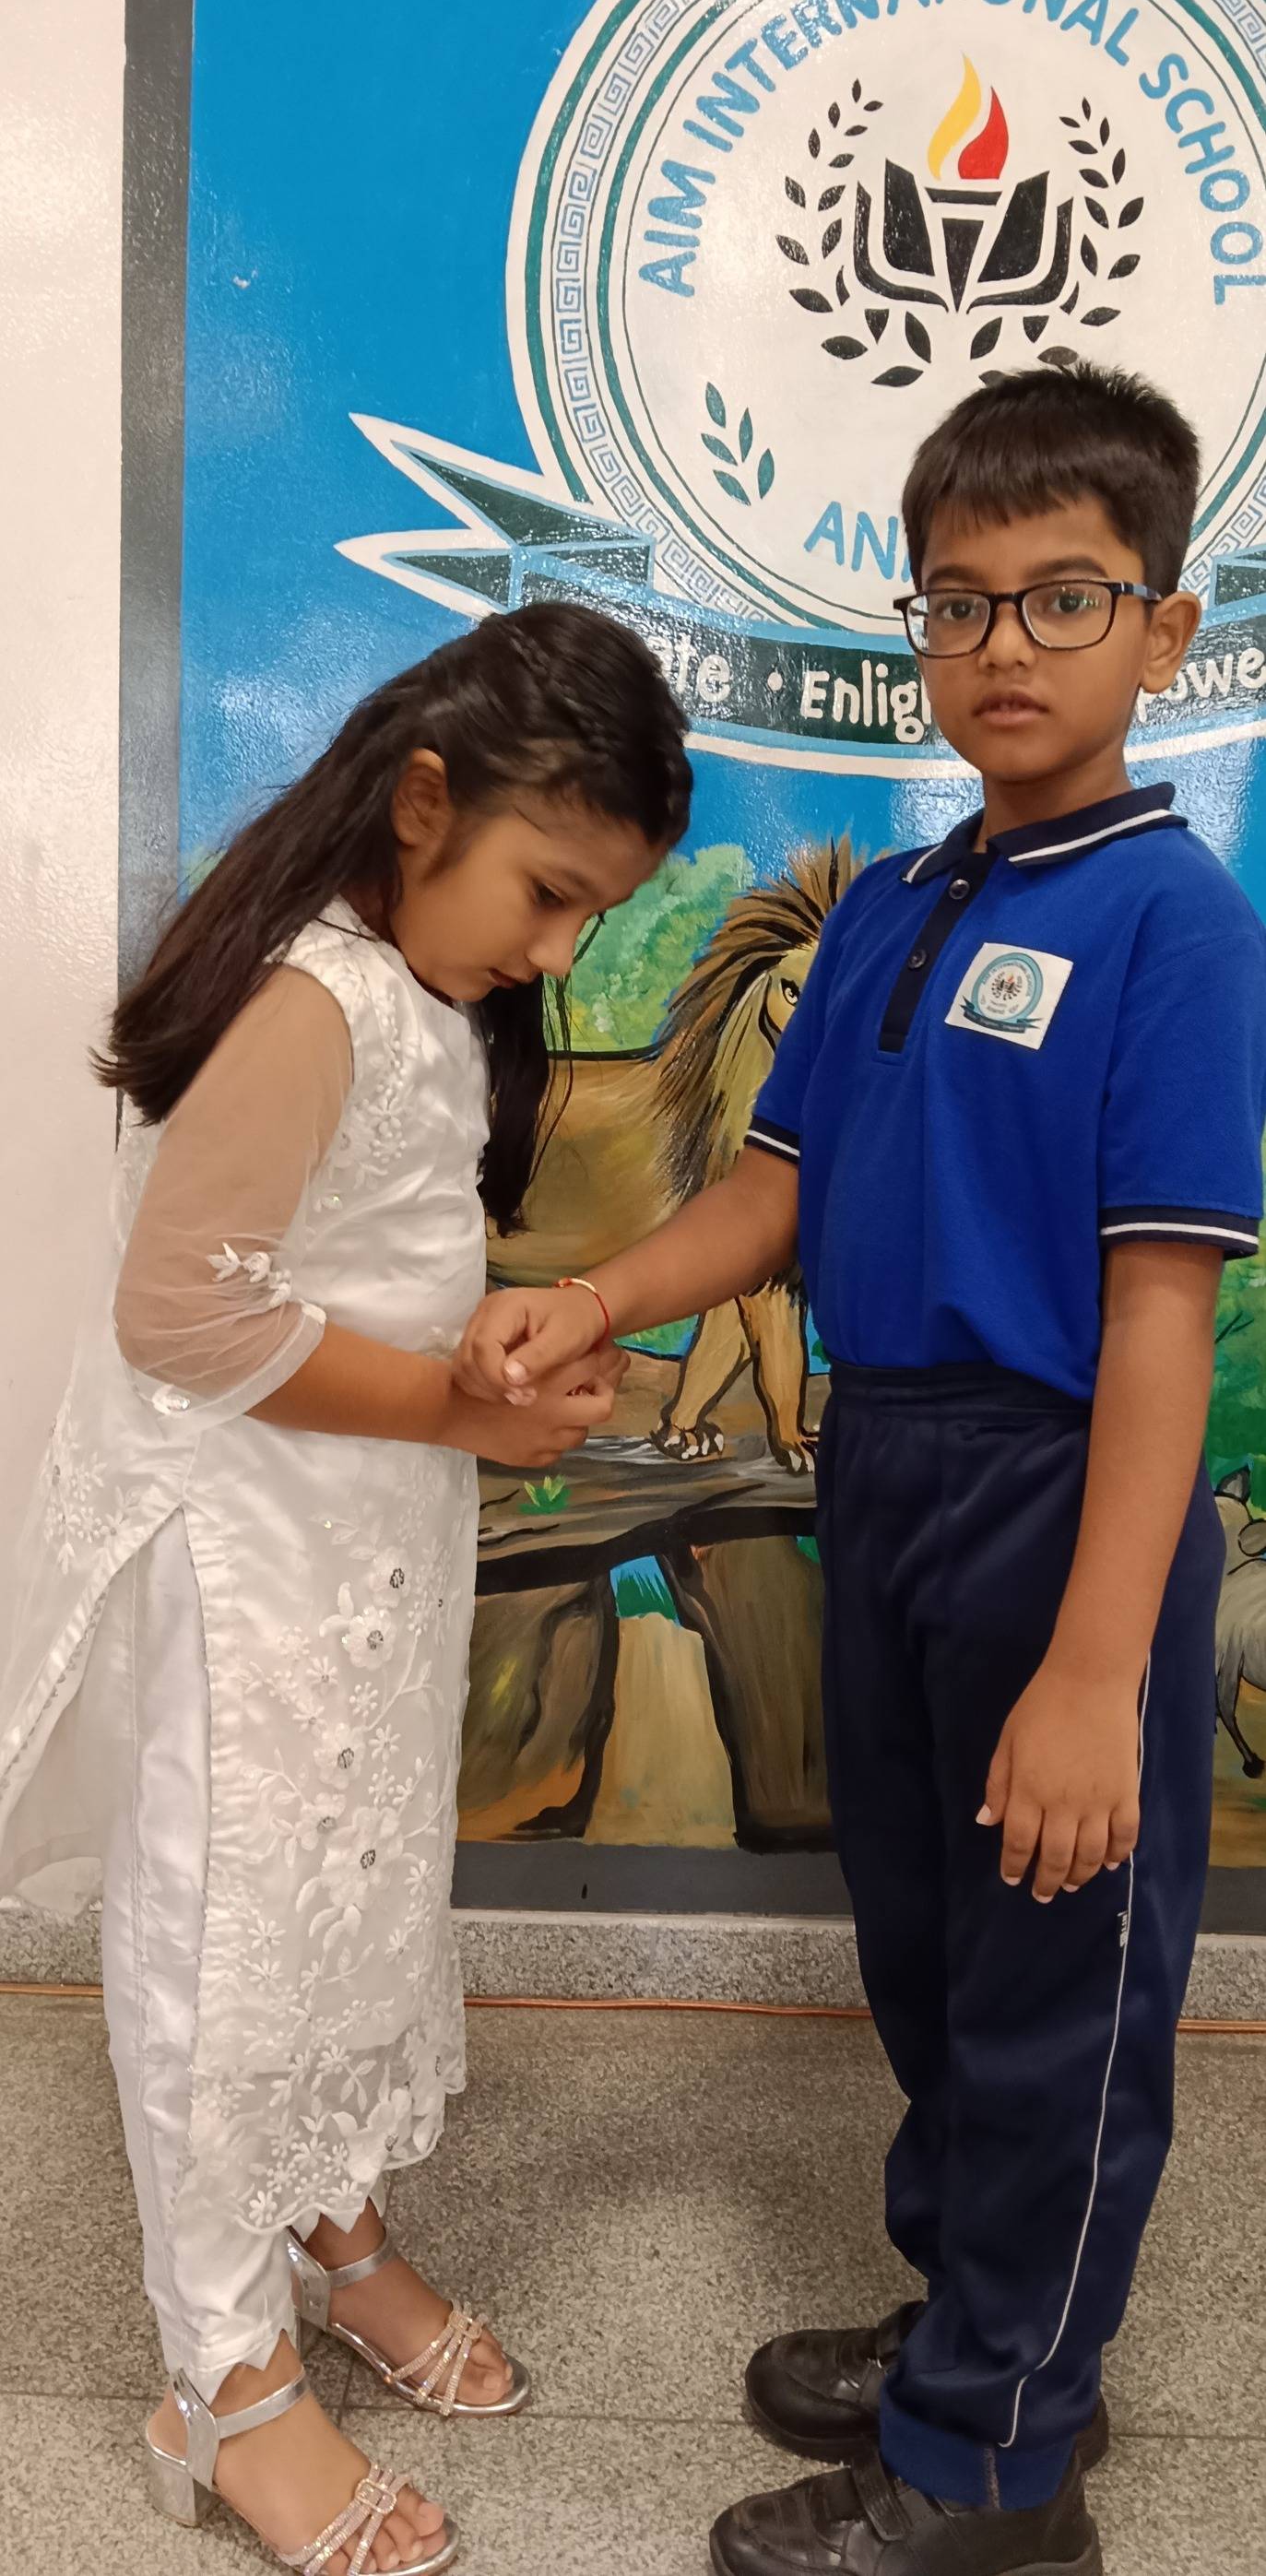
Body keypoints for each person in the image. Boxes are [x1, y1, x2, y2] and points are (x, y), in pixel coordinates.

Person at [455, 366, 1266, 2576]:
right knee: (925, 1949)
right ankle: (983, 2324)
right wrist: (601, 1296)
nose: (1006, 643)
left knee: (1056, 1988)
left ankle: (996, 2468)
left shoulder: (1176, 931)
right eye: (959, 601)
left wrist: (1096, 1663)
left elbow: (1161, 1324)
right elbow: (774, 1193)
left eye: (1065, 596)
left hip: (1062, 1487)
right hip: (885, 1463)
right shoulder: (899, 905)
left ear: (1164, 628)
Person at [0, 602, 690, 2576]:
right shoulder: (313, 994)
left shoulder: (425, 999)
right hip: (247, 1557)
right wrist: (457, 1408)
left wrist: (489, 1372)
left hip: (360, 1539)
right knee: (231, 1934)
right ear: (422, 803)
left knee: (347, 1899)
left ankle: (329, 2220)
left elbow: (354, 1267)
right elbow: (182, 1312)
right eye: (548, 895)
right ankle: (222, 2379)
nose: (556, 954)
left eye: (590, 918)